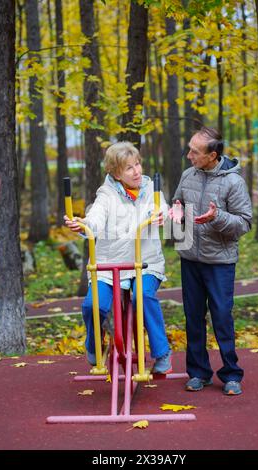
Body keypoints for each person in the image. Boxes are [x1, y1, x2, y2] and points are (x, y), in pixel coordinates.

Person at [64, 141, 172, 374]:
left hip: (145, 261)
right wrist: (83, 225)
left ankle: (162, 352)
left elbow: (161, 208)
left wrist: (162, 216)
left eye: (138, 164)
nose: (137, 171)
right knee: (93, 305)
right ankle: (93, 345)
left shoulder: (150, 189)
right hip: (109, 263)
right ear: (115, 173)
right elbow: (95, 218)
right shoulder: (106, 194)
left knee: (142, 296)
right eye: (129, 168)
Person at [169, 127, 252, 395]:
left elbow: (244, 223)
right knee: (193, 317)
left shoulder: (233, 182)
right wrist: (176, 210)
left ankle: (231, 374)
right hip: (190, 258)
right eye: (189, 148)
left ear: (212, 155)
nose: (189, 155)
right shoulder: (187, 174)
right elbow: (178, 202)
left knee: (221, 317)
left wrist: (216, 218)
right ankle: (198, 372)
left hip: (220, 262)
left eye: (195, 151)